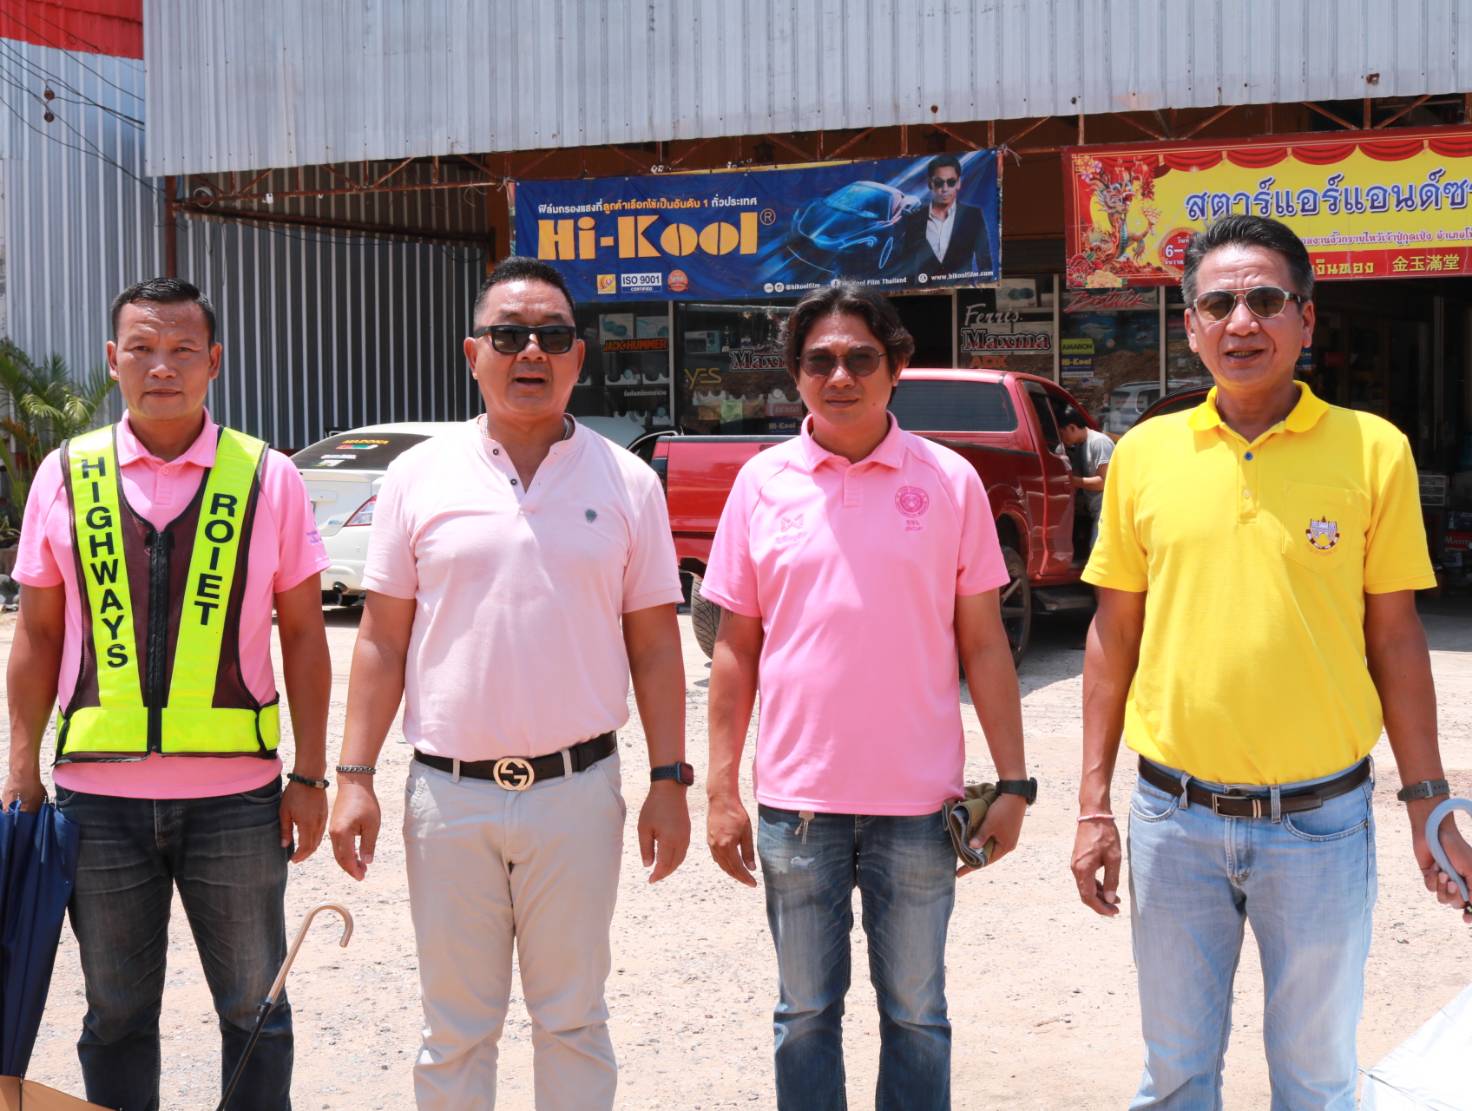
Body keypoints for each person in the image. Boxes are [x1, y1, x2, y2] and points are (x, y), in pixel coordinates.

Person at [1069, 214, 1472, 1110]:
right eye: (1218, 304)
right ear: (1190, 326)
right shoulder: (1144, 456)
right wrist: (1094, 805)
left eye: (1265, 299)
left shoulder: (1373, 450)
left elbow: (1396, 639)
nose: (1241, 321)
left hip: (1321, 827)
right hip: (1173, 821)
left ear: (1306, 318)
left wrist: (1428, 804)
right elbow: (1112, 635)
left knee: (1317, 1081)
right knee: (1175, 1075)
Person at [327, 256, 690, 1110]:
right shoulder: (418, 476)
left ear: (578, 357)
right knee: (454, 1029)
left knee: (574, 1021)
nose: (531, 351)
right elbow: (381, 638)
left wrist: (670, 779)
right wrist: (353, 777)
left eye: (553, 336)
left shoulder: (628, 482)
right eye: (509, 335)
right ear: (473, 353)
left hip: (579, 793)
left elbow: (655, 647)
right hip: (449, 797)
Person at [3, 277, 331, 1111]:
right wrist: (20, 764)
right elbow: (36, 634)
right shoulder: (64, 473)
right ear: (113, 358)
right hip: (97, 798)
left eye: (183, 349)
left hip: (238, 799)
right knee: (115, 1014)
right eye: (143, 348)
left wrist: (311, 773)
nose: (162, 366)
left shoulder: (268, 475)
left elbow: (304, 634)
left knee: (255, 1008)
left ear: (214, 361)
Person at [703, 283, 1031, 1110]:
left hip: (918, 807)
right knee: (804, 1013)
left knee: (917, 1014)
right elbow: (735, 648)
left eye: (860, 358)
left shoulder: (950, 481)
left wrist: (1015, 783)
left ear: (896, 367)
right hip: (797, 804)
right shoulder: (760, 483)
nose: (839, 375)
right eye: (819, 360)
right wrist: (720, 788)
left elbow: (984, 643)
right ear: (795, 373)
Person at [902, 154, 992, 278]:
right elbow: (905, 265)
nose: (945, 189)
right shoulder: (914, 219)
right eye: (939, 182)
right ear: (930, 183)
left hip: (961, 289)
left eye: (951, 182)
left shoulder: (973, 216)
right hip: (922, 288)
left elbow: (985, 264)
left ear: (958, 183)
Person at [1058, 405, 1113, 554]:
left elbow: (1104, 482)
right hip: (1094, 510)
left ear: (1072, 427)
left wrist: (1071, 480)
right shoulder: (1080, 446)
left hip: (1107, 510)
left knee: (1098, 553)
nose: (1062, 438)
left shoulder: (1099, 442)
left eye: (1062, 433)